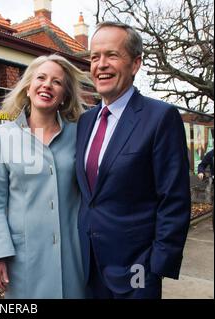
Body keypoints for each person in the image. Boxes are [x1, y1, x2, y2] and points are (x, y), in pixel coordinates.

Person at [75, 21, 191, 299]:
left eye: (112, 55)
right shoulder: (85, 121)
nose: (101, 64)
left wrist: (156, 268)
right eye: (94, 57)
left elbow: (174, 199)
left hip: (137, 270)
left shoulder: (160, 117)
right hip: (89, 266)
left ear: (136, 63)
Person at [0, 54, 91, 298]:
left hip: (72, 254)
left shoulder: (79, 135)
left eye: (57, 82)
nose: (47, 85)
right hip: (25, 256)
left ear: (64, 97)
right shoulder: (3, 136)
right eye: (41, 77)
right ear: (28, 87)